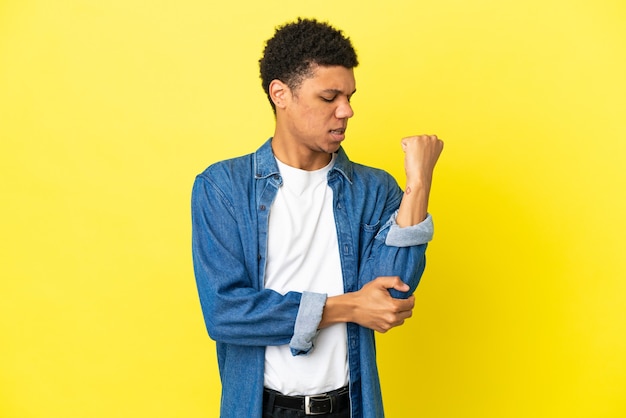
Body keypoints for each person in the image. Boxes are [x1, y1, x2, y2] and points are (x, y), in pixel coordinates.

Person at [191, 18, 443, 418]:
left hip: (351, 405)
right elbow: (225, 314)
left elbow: (390, 300)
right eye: (329, 97)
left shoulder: (374, 189)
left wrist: (418, 184)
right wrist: (345, 307)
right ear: (281, 94)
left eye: (349, 96)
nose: (347, 110)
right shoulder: (223, 187)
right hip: (262, 407)